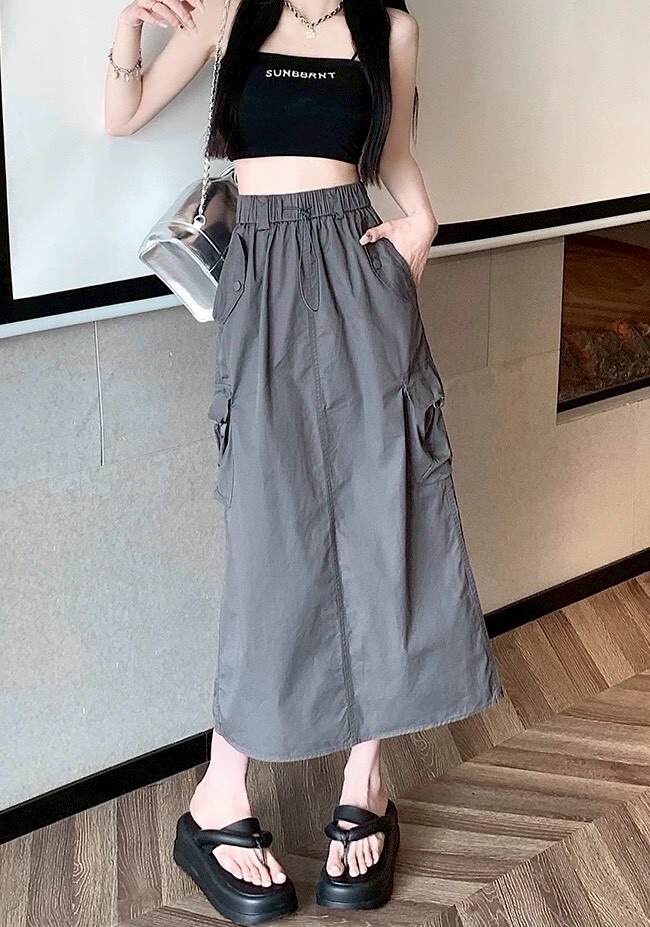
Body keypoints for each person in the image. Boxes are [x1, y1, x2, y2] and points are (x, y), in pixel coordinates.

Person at [105, 0, 505, 923]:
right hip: (263, 279)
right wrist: (130, 28)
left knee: (387, 515)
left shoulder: (389, 29)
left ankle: (366, 780)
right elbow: (122, 116)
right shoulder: (227, 10)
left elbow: (391, 153)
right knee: (269, 536)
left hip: (359, 270)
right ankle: (219, 796)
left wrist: (424, 221)